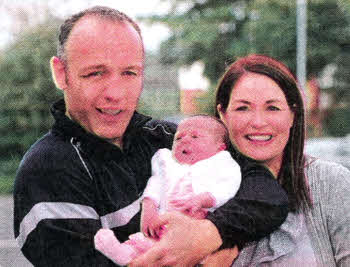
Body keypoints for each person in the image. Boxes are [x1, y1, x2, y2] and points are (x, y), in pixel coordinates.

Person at [13, 6, 288, 266]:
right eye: (96, 73)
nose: (115, 93)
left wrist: (210, 233)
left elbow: (268, 195)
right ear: (61, 73)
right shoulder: (46, 171)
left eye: (129, 73)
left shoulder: (170, 137)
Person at [213, 54, 350, 266]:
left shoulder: (332, 183)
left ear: (293, 114)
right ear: (223, 113)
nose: (258, 122)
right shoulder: (200, 186)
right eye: (243, 108)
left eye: (272, 108)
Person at [94, 115, 242, 266]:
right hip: (163, 222)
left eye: (195, 136)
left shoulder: (222, 163)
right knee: (146, 243)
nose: (184, 140)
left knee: (191, 252)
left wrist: (204, 199)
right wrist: (148, 207)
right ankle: (124, 254)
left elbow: (229, 185)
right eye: (178, 138)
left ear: (220, 147)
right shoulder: (167, 162)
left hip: (199, 224)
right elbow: (155, 185)